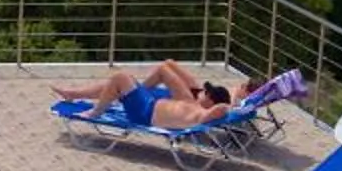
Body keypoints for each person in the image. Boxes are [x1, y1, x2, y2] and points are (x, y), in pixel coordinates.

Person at [53, 59, 237, 129]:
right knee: (124, 81)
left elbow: (221, 109)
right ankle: (73, 94)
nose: (203, 93)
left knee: (120, 78)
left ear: (211, 102)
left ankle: (95, 112)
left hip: (145, 114)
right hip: (148, 104)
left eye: (207, 93)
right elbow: (166, 68)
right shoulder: (191, 101)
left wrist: (231, 105)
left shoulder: (201, 114)